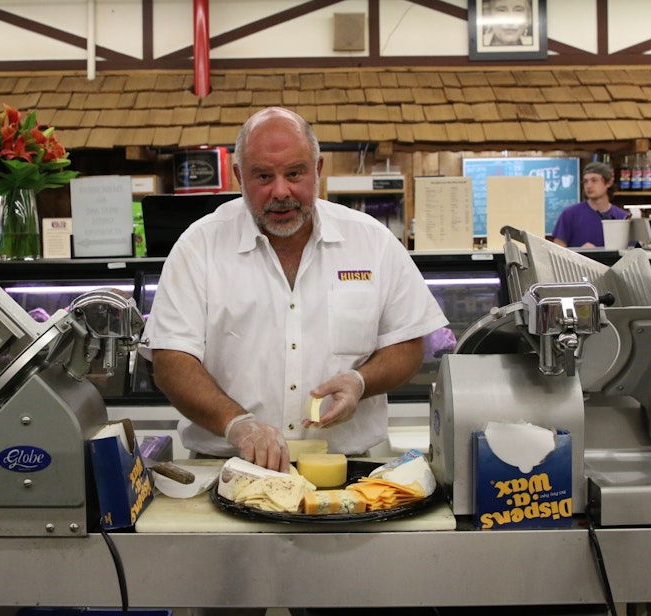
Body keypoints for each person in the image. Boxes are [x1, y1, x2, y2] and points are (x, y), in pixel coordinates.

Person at [143, 106, 445, 616]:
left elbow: (408, 344)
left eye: (295, 174)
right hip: (228, 478)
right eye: (263, 176)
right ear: (240, 176)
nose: (280, 191)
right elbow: (171, 360)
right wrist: (236, 423)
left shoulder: (370, 241)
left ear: (318, 169)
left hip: (354, 483)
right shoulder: (200, 247)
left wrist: (359, 380)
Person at [551, 161, 630, 248]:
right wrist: (580, 253)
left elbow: (632, 253)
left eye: (594, 180)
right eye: (585, 181)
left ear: (609, 183)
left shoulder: (622, 218)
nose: (589, 185)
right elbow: (557, 251)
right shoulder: (570, 214)